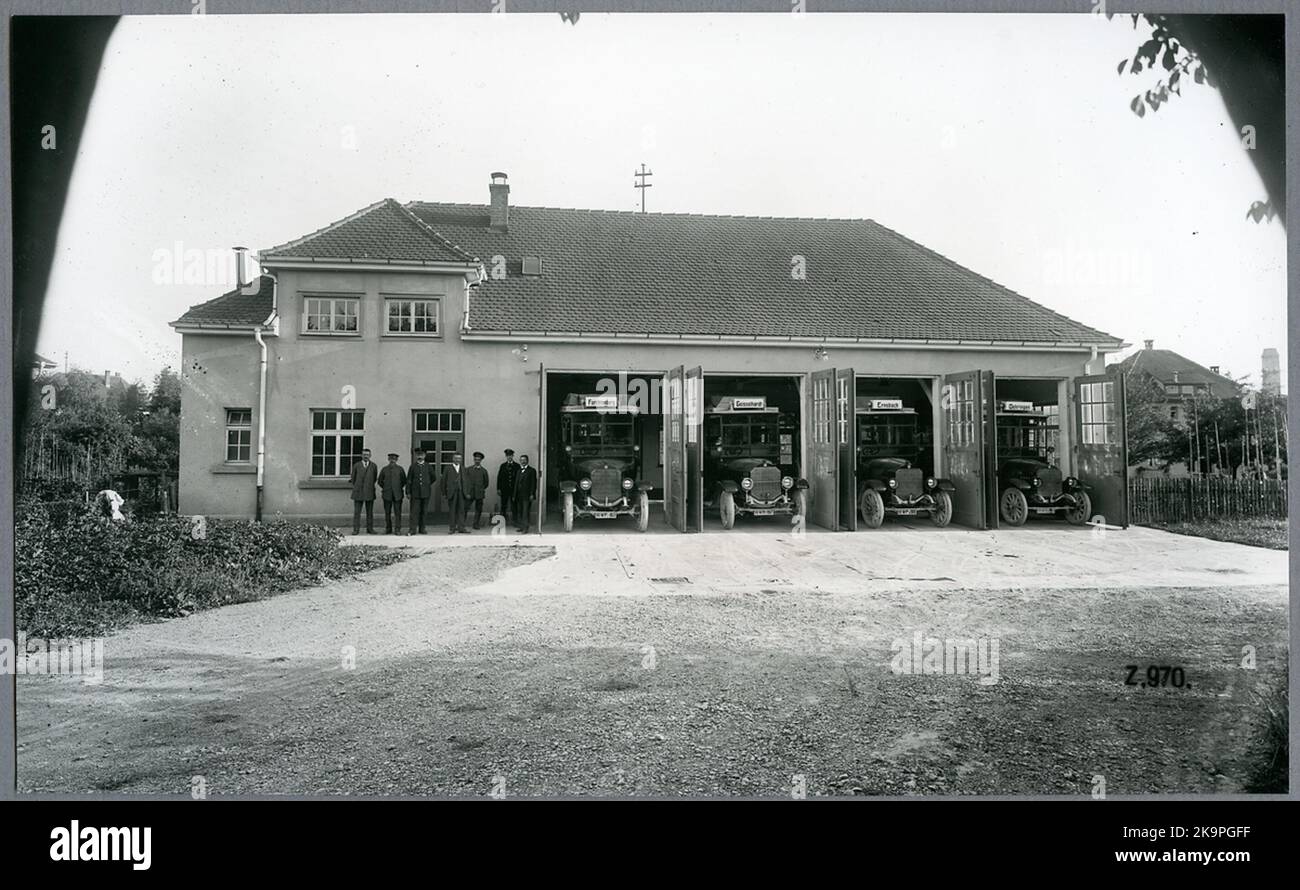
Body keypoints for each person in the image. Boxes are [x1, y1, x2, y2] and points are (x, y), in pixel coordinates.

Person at [349, 448, 378, 534]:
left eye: (367, 455)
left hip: (369, 491)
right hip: (358, 492)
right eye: (364, 455)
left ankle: (370, 529)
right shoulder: (356, 465)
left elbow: (374, 478)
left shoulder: (374, 466)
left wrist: (368, 486)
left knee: (370, 512)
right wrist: (358, 486)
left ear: (370, 456)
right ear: (361, 455)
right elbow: (353, 479)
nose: (366, 456)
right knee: (357, 512)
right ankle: (356, 529)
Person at [378, 452, 407, 534]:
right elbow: (380, 481)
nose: (392, 461)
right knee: (387, 512)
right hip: (387, 494)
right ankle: (388, 528)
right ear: (388, 459)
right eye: (391, 459)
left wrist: (397, 488)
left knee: (398, 512)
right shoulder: (384, 469)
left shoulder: (400, 469)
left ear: (397, 460)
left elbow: (404, 481)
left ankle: (397, 529)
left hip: (397, 494)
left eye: (394, 459)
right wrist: (386, 488)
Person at [440, 451, 468, 534]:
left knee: (461, 510)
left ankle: (461, 528)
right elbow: (443, 481)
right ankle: (452, 528)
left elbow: (466, 481)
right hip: (452, 492)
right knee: (452, 510)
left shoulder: (463, 468)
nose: (457, 460)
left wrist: (466, 492)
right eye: (456, 458)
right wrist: (444, 493)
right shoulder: (447, 468)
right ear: (453, 459)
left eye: (459, 458)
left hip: (461, 492)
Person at [406, 450, 434, 535]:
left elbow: (433, 477)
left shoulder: (428, 466)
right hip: (415, 493)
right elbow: (409, 480)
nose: (420, 457)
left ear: (425, 456)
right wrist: (408, 492)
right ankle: (412, 529)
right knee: (414, 512)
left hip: (425, 492)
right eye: (418, 455)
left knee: (424, 511)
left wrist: (426, 484)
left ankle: (422, 528)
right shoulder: (413, 467)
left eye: (422, 455)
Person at [463, 451, 490, 530]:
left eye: (478, 460)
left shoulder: (484, 471)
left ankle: (476, 524)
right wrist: (467, 492)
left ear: (481, 460)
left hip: (479, 493)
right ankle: (461, 524)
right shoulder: (468, 470)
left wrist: (480, 489)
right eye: (475, 459)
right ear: (474, 460)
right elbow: (465, 481)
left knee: (478, 509)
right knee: (465, 508)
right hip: (469, 493)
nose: (477, 461)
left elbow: (486, 483)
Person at [514, 453, 538, 534]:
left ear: (527, 461)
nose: (523, 462)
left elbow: (533, 483)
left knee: (525, 512)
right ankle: (521, 526)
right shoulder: (518, 471)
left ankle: (526, 528)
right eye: (521, 460)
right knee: (520, 511)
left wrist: (532, 494)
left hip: (527, 495)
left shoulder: (532, 470)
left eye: (524, 460)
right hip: (519, 495)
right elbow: (516, 484)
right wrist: (514, 495)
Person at [497, 448, 520, 525]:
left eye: (510, 455)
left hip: (514, 490)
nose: (509, 457)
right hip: (504, 489)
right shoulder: (503, 466)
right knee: (503, 506)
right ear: (506, 456)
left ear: (513, 456)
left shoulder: (517, 466)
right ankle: (502, 522)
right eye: (507, 456)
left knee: (514, 506)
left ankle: (515, 521)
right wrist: (499, 488)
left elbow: (519, 478)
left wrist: (518, 489)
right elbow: (499, 478)